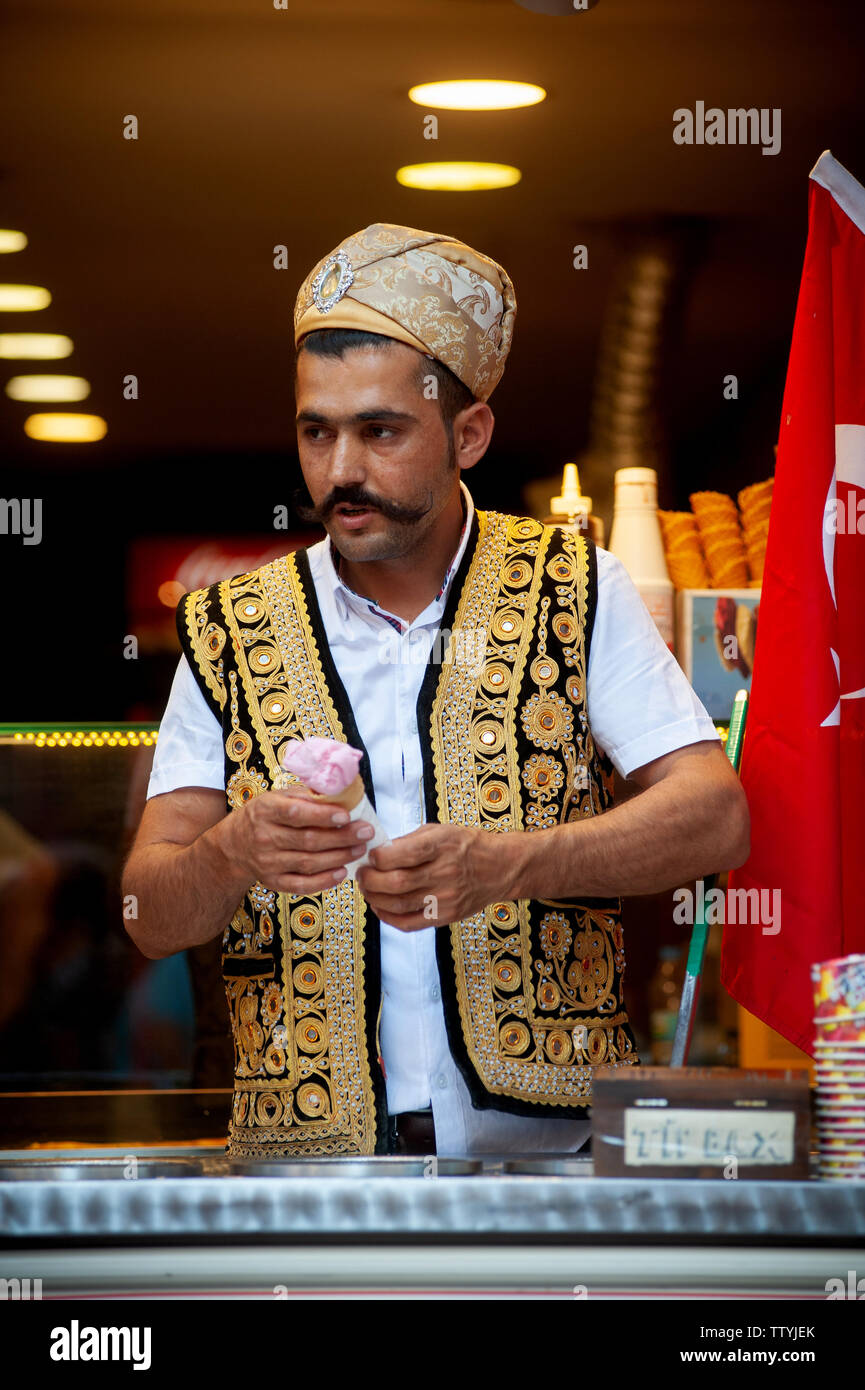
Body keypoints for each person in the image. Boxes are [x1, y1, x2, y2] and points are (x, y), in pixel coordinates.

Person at [122, 223, 749, 1159]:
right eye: (316, 432)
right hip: (309, 1178)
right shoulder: (228, 625)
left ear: (469, 433)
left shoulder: (573, 584)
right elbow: (145, 915)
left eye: (379, 432)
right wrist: (228, 854)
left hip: (545, 1165)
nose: (340, 472)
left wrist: (512, 864)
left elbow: (715, 818)